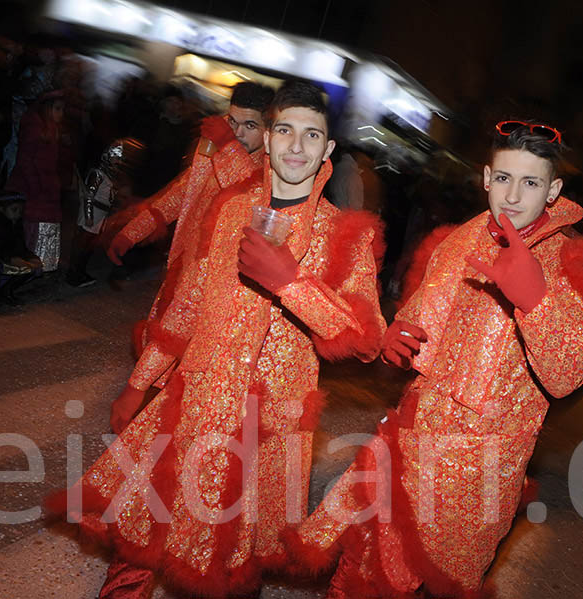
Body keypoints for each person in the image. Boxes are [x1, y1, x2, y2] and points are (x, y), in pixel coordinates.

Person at [45, 80, 387, 598]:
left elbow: (366, 337)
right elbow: (189, 304)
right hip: (198, 396)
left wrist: (291, 283)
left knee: (233, 560)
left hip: (271, 421)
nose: (297, 146)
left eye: (312, 135)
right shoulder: (230, 210)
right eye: (286, 131)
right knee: (144, 531)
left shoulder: (347, 234)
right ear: (268, 140)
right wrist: (139, 383)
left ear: (328, 150)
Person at [284, 120, 583, 597]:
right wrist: (401, 337)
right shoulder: (462, 239)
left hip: (483, 467)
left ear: (554, 190)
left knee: (436, 580)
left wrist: (536, 299)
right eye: (504, 178)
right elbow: (423, 316)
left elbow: (568, 376)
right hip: (415, 432)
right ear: (486, 178)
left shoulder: (570, 262)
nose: (512, 195)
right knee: (366, 562)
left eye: (531, 182)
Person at [104, 81, 276, 391]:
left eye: (249, 125)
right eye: (232, 122)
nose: (238, 133)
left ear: (268, 130)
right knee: (164, 353)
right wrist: (133, 232)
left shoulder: (275, 169)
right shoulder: (215, 150)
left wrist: (226, 148)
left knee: (195, 376)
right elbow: (183, 193)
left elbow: (252, 195)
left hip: (221, 292)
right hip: (186, 273)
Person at [65, 137, 144, 287]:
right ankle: (74, 275)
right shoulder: (98, 174)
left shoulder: (111, 176)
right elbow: (89, 196)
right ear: (108, 156)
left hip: (101, 216)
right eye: (114, 157)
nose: (117, 161)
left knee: (89, 247)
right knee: (82, 245)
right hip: (92, 214)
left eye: (119, 159)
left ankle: (81, 272)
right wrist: (88, 216)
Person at [5, 90, 65, 272]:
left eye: (63, 110)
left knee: (45, 226)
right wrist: (37, 186)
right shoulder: (35, 129)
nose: (61, 114)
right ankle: (27, 269)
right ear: (47, 109)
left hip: (46, 189)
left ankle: (42, 267)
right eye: (57, 109)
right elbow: (26, 160)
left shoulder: (51, 130)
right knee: (31, 228)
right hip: (33, 189)